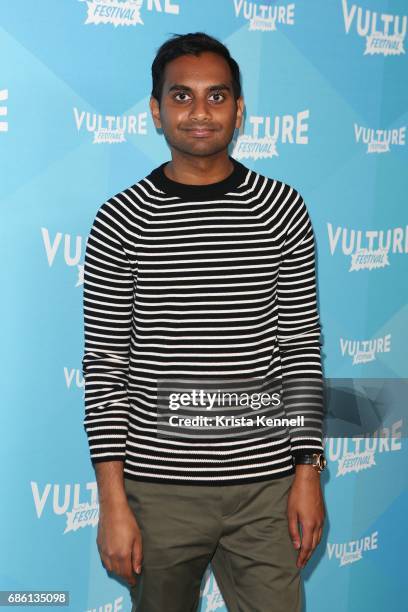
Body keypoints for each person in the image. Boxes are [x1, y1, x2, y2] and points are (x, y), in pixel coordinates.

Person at [81, 31, 327, 612]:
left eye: (216, 97)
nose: (199, 112)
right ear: (156, 110)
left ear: (239, 110)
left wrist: (308, 473)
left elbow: (300, 350)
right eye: (182, 96)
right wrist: (112, 502)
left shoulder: (281, 207)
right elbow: (107, 366)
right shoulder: (121, 220)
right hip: (158, 492)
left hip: (266, 489)